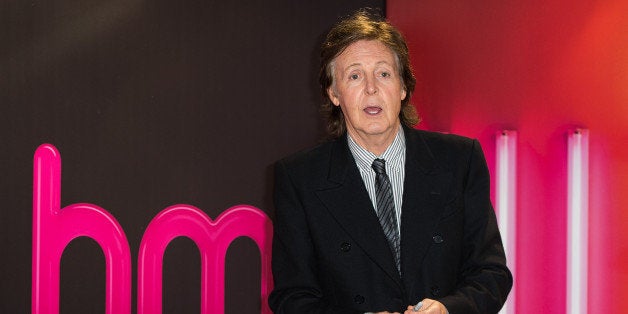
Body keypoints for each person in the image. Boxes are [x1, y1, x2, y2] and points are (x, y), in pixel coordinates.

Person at [269, 9, 512, 314]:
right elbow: (292, 298)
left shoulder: (460, 161)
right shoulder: (299, 178)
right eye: (355, 76)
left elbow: (491, 275)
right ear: (333, 92)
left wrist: (449, 309)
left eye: (383, 73)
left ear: (403, 87)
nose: (371, 88)